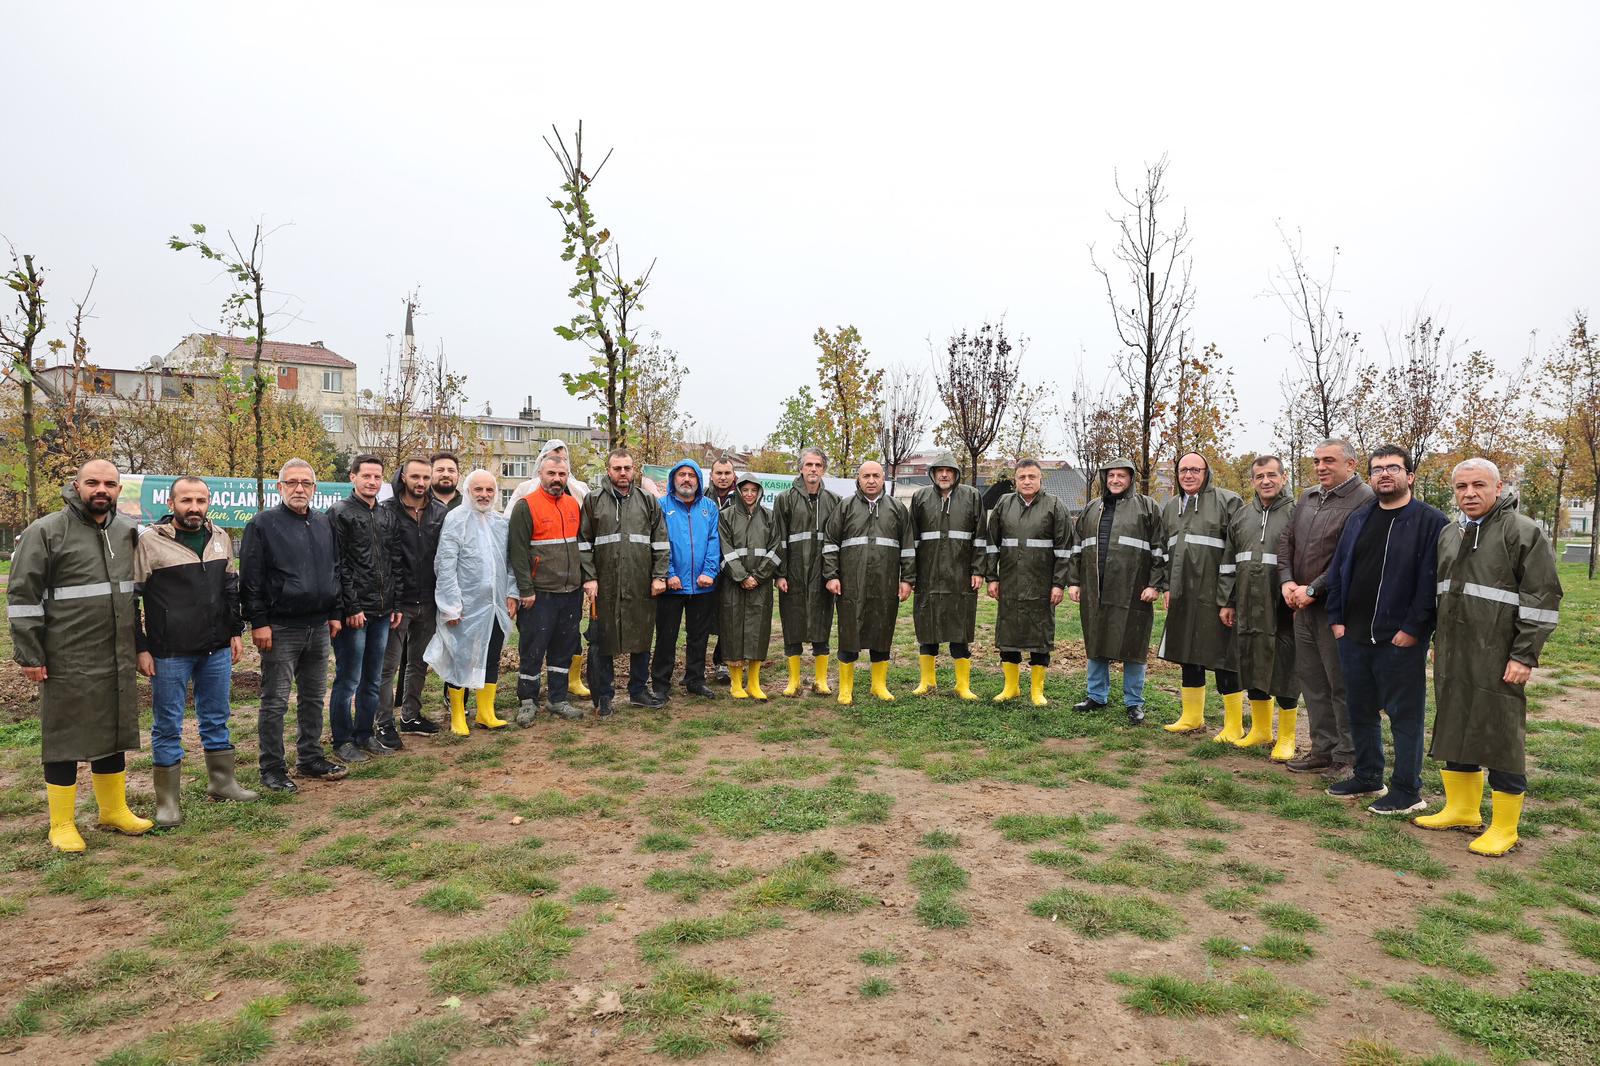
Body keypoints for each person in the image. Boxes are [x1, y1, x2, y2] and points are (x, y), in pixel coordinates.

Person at [1416, 459, 1562, 855]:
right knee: (1454, 722)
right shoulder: (1450, 533)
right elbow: (1443, 593)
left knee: (1499, 734)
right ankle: (1462, 809)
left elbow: (1542, 599)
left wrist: (1524, 655)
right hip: (1454, 650)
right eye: (1461, 487)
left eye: (1478, 485)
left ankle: (1505, 827)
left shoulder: (1521, 531)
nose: (1469, 494)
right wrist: (1436, 639)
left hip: (1500, 654)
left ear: (1499, 488)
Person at [10, 460, 152, 851]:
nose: (101, 489)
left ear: (119, 490)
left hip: (116, 651)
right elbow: (23, 597)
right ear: (77, 485)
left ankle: (113, 810)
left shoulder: (126, 532)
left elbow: (134, 595)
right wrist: (29, 654)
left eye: (109, 483)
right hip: (65, 653)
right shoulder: (47, 531)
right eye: (93, 482)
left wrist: (139, 646)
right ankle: (61, 823)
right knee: (65, 735)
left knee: (115, 727)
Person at [1322, 446, 1449, 813]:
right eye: (1377, 469)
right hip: (1354, 636)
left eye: (1393, 468)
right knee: (1359, 710)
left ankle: (1408, 790)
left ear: (1410, 476)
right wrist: (1337, 620)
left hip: (1400, 639)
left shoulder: (1431, 522)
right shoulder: (1360, 518)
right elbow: (1339, 571)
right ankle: (1368, 775)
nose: (1384, 474)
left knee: (1404, 716)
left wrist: (1414, 628)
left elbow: (1431, 583)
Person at [135, 475, 256, 828]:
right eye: (186, 501)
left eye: (200, 500)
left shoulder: (219, 537)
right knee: (168, 724)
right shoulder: (150, 543)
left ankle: (222, 782)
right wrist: (141, 648)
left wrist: (235, 632)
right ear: (171, 504)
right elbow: (131, 600)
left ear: (208, 503)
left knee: (216, 716)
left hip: (216, 648)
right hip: (169, 652)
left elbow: (230, 587)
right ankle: (167, 801)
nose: (194, 508)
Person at [241, 458, 348, 792]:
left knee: (314, 697)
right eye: (292, 483)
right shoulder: (263, 524)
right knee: (275, 701)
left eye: (306, 483)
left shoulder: (322, 523)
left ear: (315, 489)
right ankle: (271, 768)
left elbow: (334, 569)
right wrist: (259, 622)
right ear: (280, 487)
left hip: (318, 626)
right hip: (280, 627)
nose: (299, 488)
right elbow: (251, 579)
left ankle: (310, 757)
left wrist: (334, 611)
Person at [1277, 439, 1375, 778]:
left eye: (1329, 461)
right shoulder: (1307, 497)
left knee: (1340, 683)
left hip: (1337, 609)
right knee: (1312, 681)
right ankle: (1322, 749)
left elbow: (1351, 557)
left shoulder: (1365, 499)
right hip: (1301, 606)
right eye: (1317, 460)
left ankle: (1347, 756)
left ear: (1350, 464)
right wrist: (1287, 582)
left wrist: (1315, 589)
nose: (1320, 467)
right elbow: (1286, 541)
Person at [1067, 458, 1165, 725]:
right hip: (1094, 588)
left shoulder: (1147, 507)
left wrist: (1154, 584)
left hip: (1133, 590)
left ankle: (1134, 702)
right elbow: (1077, 548)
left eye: (1121, 476)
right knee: (1096, 641)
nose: (1115, 481)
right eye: (1111, 476)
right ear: (1104, 478)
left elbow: (1159, 549)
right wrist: (1074, 581)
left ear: (1131, 478)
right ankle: (1096, 695)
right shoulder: (1092, 508)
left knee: (1133, 644)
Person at [1157, 452, 1246, 738]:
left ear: (1207, 472)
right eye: (1183, 470)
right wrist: (1169, 586)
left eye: (1195, 469)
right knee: (1187, 653)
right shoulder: (1171, 507)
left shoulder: (1227, 501)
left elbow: (1237, 552)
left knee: (1224, 657)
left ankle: (1233, 725)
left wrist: (1229, 598)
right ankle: (1192, 717)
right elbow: (1165, 551)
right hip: (1183, 594)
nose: (1189, 475)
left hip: (1216, 595)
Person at [1219, 455, 1299, 760]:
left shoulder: (1297, 513)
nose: (1265, 481)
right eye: (1259, 476)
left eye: (1271, 475)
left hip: (1282, 605)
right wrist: (1227, 601)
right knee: (1251, 662)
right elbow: (1228, 561)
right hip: (1247, 604)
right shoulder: (1242, 516)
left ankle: (1287, 736)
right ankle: (1261, 730)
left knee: (1284, 667)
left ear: (1283, 477)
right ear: (1252, 481)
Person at [426, 469, 517, 734]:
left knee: (492, 656)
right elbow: (445, 563)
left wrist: (511, 594)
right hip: (465, 607)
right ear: (468, 491)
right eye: (479, 489)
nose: (484, 495)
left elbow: (509, 563)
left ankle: (486, 712)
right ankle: (458, 714)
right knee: (461, 657)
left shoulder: (500, 523)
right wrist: (450, 604)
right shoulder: (456, 519)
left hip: (495, 606)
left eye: (490, 490)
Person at [580, 448, 670, 716]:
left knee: (641, 637)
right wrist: (590, 577)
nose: (622, 473)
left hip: (641, 583)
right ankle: (604, 696)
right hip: (604, 585)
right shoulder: (593, 501)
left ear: (634, 470)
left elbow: (661, 542)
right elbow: (584, 542)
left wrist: (659, 576)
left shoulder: (648, 501)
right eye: (617, 468)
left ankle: (638, 691)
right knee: (603, 640)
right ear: (608, 470)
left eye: (627, 468)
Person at [503, 439, 592, 698]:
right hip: (539, 593)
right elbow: (517, 550)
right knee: (532, 648)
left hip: (570, 591)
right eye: (551, 473)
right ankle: (528, 699)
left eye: (561, 474)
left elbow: (583, 544)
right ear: (540, 472)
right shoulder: (526, 504)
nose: (557, 478)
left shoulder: (574, 503)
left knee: (563, 648)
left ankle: (557, 698)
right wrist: (524, 589)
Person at [822, 460, 915, 705]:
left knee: (882, 630)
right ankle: (845, 688)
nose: (871, 480)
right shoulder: (845, 507)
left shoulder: (897, 508)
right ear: (858, 479)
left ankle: (879, 685)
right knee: (849, 631)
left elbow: (907, 546)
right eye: (866, 476)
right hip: (851, 583)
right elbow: (830, 543)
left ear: (883, 478)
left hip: (885, 583)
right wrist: (831, 575)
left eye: (876, 475)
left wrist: (907, 579)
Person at [984, 459, 1073, 706]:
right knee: (1008, 633)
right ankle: (1011, 687)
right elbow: (992, 543)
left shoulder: (1055, 505)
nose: (1027, 481)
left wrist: (1058, 583)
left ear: (1041, 478)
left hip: (1042, 584)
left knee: (1040, 634)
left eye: (1032, 477)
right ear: (1015, 480)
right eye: (1022, 477)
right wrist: (992, 576)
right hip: (1010, 582)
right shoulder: (1004, 503)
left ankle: (1037, 690)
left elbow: (1064, 548)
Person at [328, 454, 397, 764]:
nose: (372, 482)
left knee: (373, 677)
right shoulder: (340, 513)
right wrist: (350, 606)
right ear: (352, 477)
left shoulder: (385, 515)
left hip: (383, 610)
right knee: (349, 678)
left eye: (377, 477)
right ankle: (342, 739)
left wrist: (395, 601)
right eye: (366, 476)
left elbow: (392, 561)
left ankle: (365, 733)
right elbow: (338, 564)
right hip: (354, 612)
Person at [379, 457, 448, 743]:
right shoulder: (387, 511)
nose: (421, 483)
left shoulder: (439, 512)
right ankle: (383, 723)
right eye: (415, 477)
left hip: (429, 600)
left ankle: (410, 715)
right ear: (403, 477)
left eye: (425, 478)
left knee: (419, 662)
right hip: (399, 601)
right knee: (388, 665)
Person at [909, 452, 985, 700]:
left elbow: (980, 537)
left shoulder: (972, 496)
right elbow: (912, 539)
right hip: (927, 575)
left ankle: (962, 685)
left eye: (949, 470)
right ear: (933, 474)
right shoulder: (920, 497)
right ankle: (927, 682)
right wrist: (910, 576)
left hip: (960, 575)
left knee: (959, 629)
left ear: (956, 474)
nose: (944, 474)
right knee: (927, 627)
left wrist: (978, 569)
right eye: (939, 470)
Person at [773, 448, 843, 696]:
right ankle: (794, 681)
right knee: (792, 623)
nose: (813, 469)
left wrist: (832, 574)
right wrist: (780, 573)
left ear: (824, 469)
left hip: (822, 573)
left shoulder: (834, 500)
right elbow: (778, 539)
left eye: (818, 465)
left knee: (822, 623)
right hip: (792, 573)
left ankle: (820, 680)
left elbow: (836, 541)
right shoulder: (785, 499)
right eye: (809, 465)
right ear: (800, 468)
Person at [652, 459, 722, 701]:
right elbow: (660, 543)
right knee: (666, 637)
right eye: (681, 474)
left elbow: (714, 541)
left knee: (698, 636)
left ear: (698, 480)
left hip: (702, 586)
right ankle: (661, 683)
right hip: (672, 586)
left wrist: (710, 572)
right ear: (673, 479)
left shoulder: (709, 507)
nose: (686, 479)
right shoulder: (661, 506)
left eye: (691, 475)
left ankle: (695, 679)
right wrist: (669, 574)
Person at [718, 474, 780, 699]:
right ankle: (736, 683)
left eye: (754, 490)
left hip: (760, 585)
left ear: (760, 492)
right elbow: (724, 548)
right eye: (745, 490)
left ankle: (754, 682)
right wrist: (741, 576)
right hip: (733, 584)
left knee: (758, 631)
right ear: (739, 491)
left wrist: (758, 576)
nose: (749, 494)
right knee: (733, 630)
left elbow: (776, 549)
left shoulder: (770, 517)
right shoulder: (725, 516)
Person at [706, 455, 739, 682]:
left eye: (727, 473)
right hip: (705, 567)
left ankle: (721, 663)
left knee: (729, 617)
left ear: (733, 476)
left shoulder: (742, 499)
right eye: (719, 473)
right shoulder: (701, 497)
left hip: (731, 567)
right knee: (700, 618)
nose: (723, 477)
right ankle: (695, 665)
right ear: (711, 475)